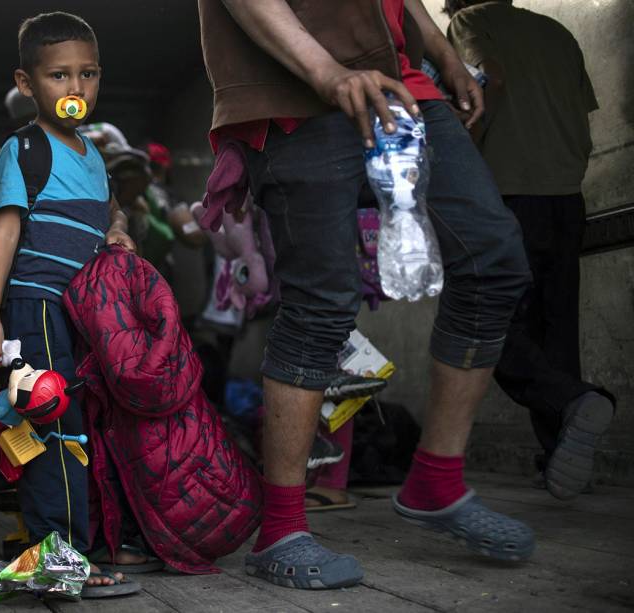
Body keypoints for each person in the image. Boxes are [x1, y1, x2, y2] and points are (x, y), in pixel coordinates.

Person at [199, 0, 534, 589]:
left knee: (493, 260)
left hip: (405, 92)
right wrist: (327, 71)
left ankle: (436, 478)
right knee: (322, 302)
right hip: (293, 97)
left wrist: (443, 54)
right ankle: (281, 528)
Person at [0, 12, 140, 596]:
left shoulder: (92, 152)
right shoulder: (23, 149)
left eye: (88, 74)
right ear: (27, 83)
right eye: (59, 76)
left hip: (78, 316)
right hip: (35, 308)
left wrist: (117, 227)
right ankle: (57, 557)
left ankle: (68, 550)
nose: (76, 90)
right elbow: (7, 233)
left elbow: (108, 208)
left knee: (75, 432)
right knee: (54, 433)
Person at [445, 0, 615, 500]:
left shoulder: (470, 22)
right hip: (566, 196)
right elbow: (581, 112)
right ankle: (559, 454)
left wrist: (464, 156)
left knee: (482, 326)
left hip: (507, 194)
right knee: (557, 331)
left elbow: (488, 77)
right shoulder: (556, 32)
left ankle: (574, 400)